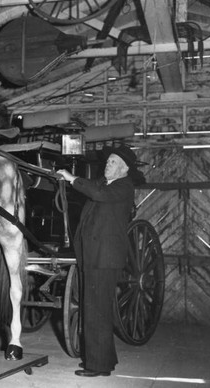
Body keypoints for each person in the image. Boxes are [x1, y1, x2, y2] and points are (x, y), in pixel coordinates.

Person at [57, 143, 143, 377]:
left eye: (113, 162)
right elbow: (93, 189)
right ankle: (105, 359)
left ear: (124, 169)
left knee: (97, 311)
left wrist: (72, 178)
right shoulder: (106, 184)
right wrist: (62, 177)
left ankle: (98, 366)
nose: (108, 164)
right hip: (94, 256)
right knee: (96, 310)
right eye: (108, 161)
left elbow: (96, 193)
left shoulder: (123, 187)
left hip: (104, 258)